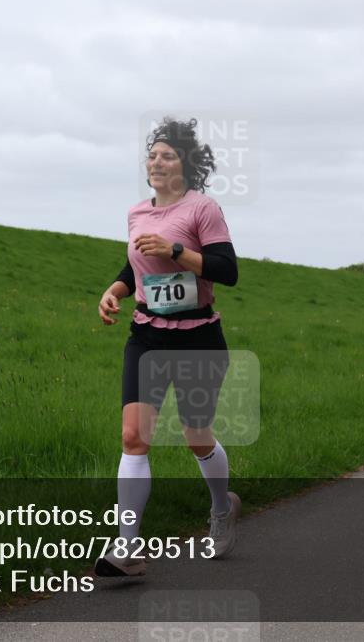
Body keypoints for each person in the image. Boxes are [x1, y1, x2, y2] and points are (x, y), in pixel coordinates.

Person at [94, 118, 240, 576]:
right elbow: (136, 265)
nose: (156, 162)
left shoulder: (203, 209)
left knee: (197, 436)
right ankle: (127, 547)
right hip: (147, 336)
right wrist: (115, 290)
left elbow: (227, 270)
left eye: (168, 155)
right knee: (133, 436)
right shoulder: (137, 212)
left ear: (186, 164)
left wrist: (175, 249)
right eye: (152, 155)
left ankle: (222, 508)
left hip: (198, 336)